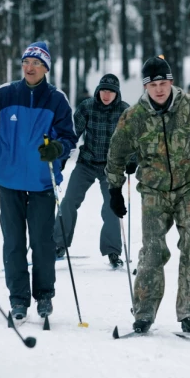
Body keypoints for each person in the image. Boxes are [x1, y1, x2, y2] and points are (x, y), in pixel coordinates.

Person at [105, 56, 190, 335]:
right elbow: (115, 154)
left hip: (189, 188)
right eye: (153, 85)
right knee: (152, 251)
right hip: (153, 191)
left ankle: (189, 313)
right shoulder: (134, 117)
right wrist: (114, 190)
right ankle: (144, 313)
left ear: (171, 82)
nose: (159, 89)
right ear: (146, 87)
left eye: (163, 83)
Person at [0, 41, 77, 323]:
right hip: (9, 180)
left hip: (42, 182)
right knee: (13, 242)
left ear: (46, 68)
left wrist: (57, 150)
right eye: (26, 62)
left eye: (36, 63)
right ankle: (18, 299)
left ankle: (45, 296)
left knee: (42, 242)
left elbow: (69, 138)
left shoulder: (56, 99)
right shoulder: (5, 94)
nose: (30, 67)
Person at [54, 74, 132, 268]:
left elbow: (133, 139)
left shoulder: (125, 111)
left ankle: (113, 251)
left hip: (111, 167)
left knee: (112, 206)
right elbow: (71, 135)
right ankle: (57, 244)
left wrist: (133, 160)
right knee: (70, 201)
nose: (107, 95)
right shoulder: (87, 106)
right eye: (104, 90)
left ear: (117, 93)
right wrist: (62, 157)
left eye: (111, 91)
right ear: (98, 90)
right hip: (86, 163)